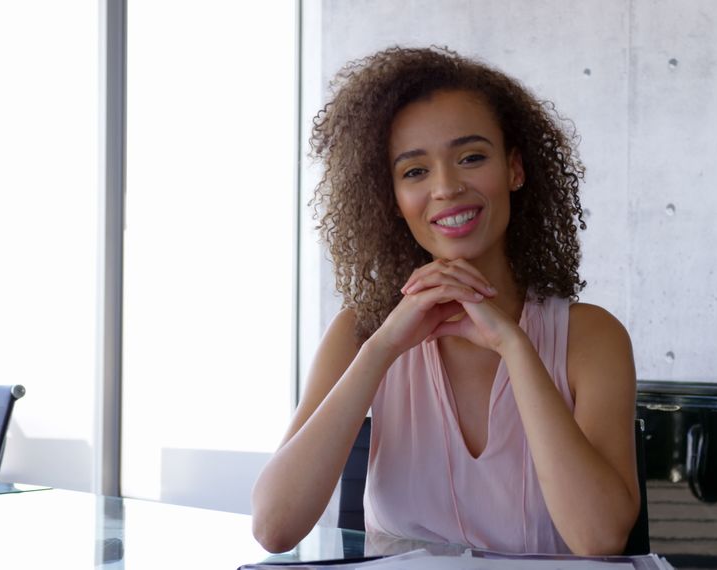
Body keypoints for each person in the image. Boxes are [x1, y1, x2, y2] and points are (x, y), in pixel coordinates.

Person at [251, 46, 638, 556]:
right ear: (391, 197)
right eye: (414, 171)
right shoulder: (361, 334)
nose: (447, 187)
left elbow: (599, 539)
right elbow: (274, 528)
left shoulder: (591, 337)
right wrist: (383, 346)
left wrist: (515, 348)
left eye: (472, 158)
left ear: (515, 169)